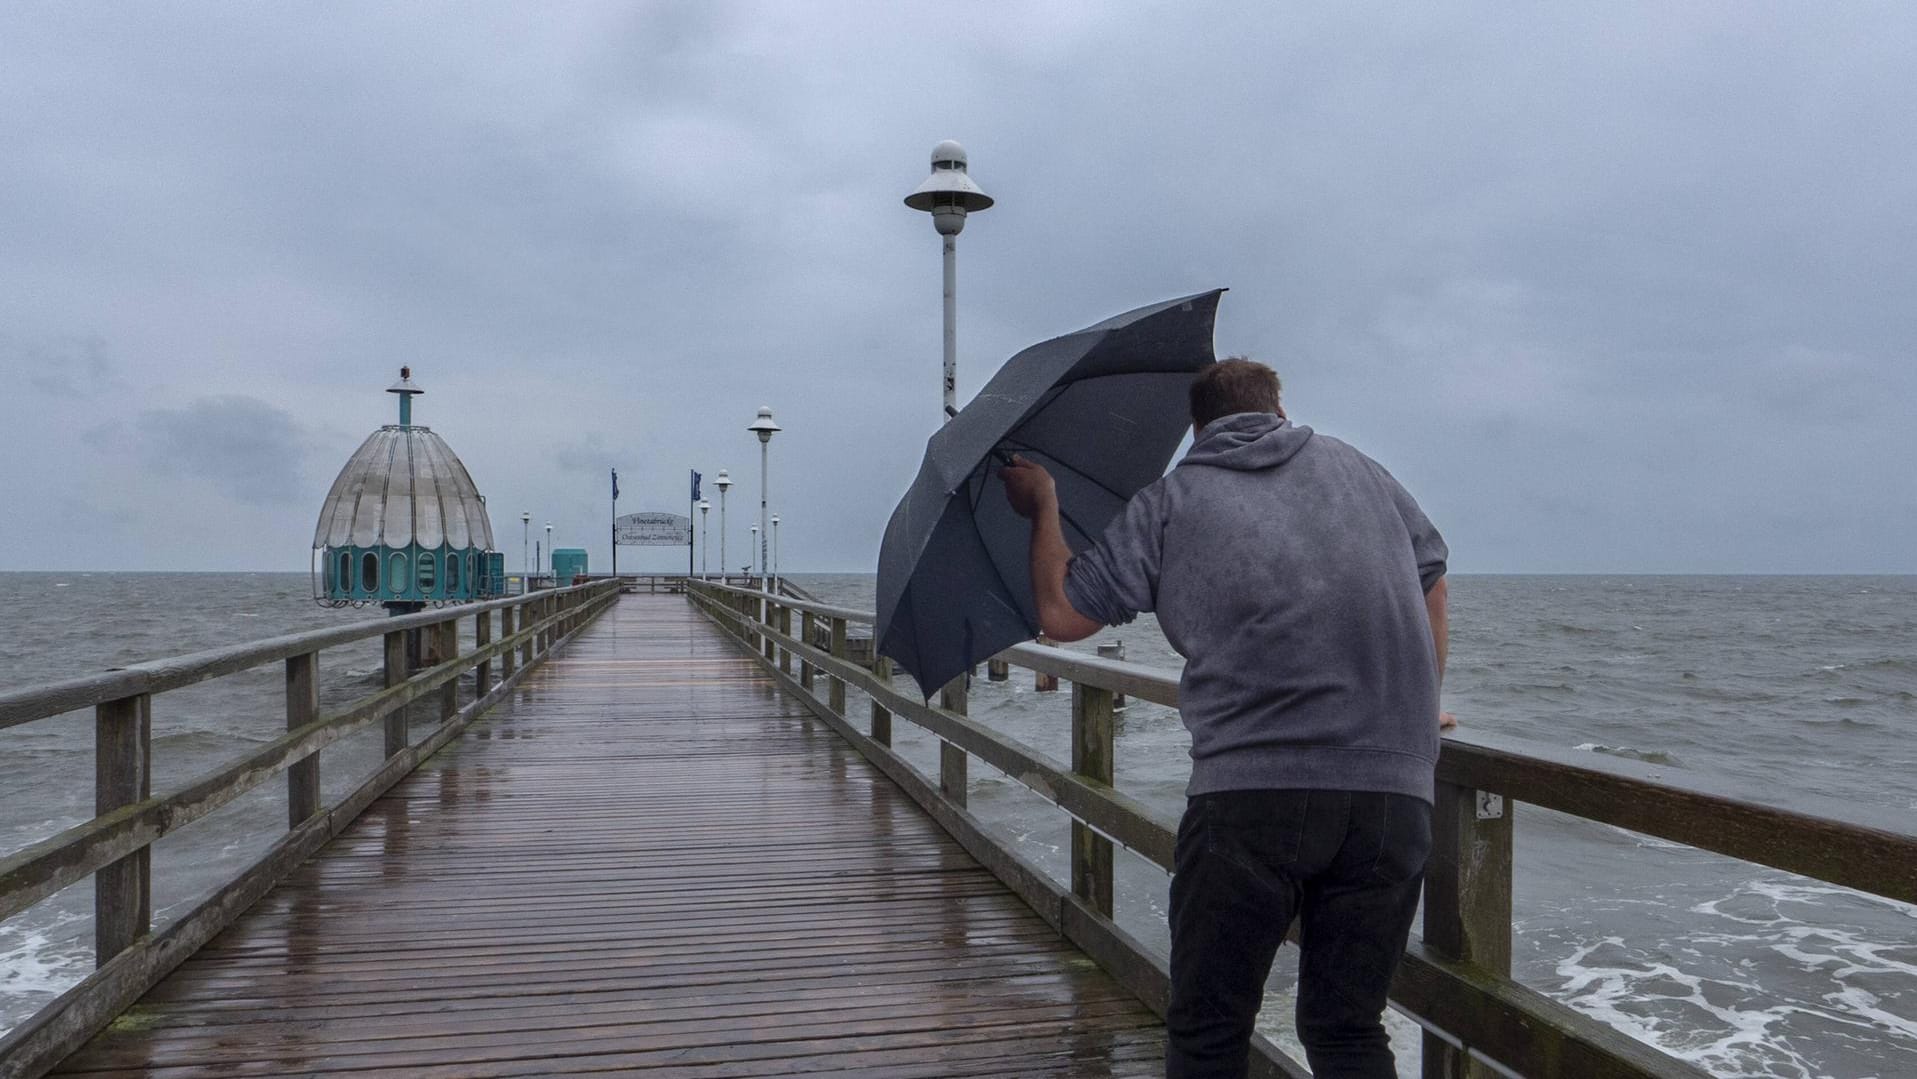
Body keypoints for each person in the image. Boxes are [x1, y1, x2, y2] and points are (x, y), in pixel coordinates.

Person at [1000, 357, 1450, 1079]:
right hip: (1392, 791)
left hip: (1253, 793)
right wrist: (1419, 704)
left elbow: (1060, 615)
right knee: (1347, 1027)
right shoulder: (1365, 472)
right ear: (1278, 410)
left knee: (1210, 1031)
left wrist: (1043, 505)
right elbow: (1431, 577)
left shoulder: (1173, 498)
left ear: (1197, 426)